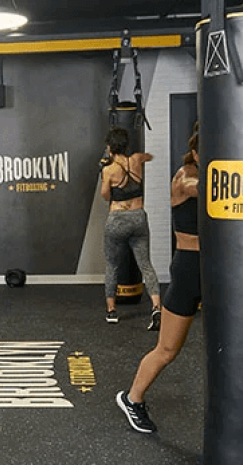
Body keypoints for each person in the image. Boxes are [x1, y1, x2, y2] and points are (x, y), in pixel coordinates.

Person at [116, 132, 200, 433]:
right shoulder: (185, 176)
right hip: (190, 269)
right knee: (167, 348)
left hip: (221, 271)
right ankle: (132, 398)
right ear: (195, 152)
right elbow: (197, 188)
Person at [100, 126, 162, 330]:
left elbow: (105, 195)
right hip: (138, 217)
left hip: (117, 219)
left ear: (110, 147)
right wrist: (143, 157)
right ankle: (156, 307)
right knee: (146, 265)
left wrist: (105, 171)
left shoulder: (109, 170)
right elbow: (149, 156)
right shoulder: (136, 159)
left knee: (112, 265)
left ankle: (111, 311)